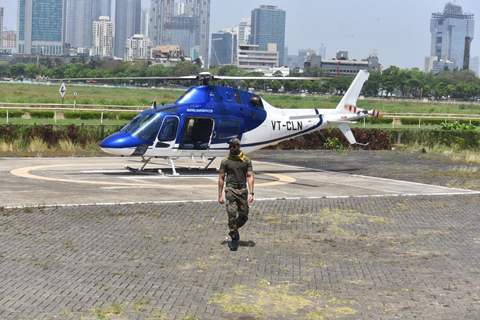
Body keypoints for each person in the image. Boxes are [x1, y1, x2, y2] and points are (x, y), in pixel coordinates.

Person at [218, 138, 255, 250]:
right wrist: (220, 195)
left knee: (244, 216)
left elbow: (249, 176)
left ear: (239, 146)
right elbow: (221, 177)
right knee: (232, 213)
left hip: (243, 191)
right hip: (230, 190)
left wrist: (252, 193)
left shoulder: (246, 161)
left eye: (234, 146)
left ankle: (233, 229)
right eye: (230, 146)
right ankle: (234, 237)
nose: (232, 148)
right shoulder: (225, 161)